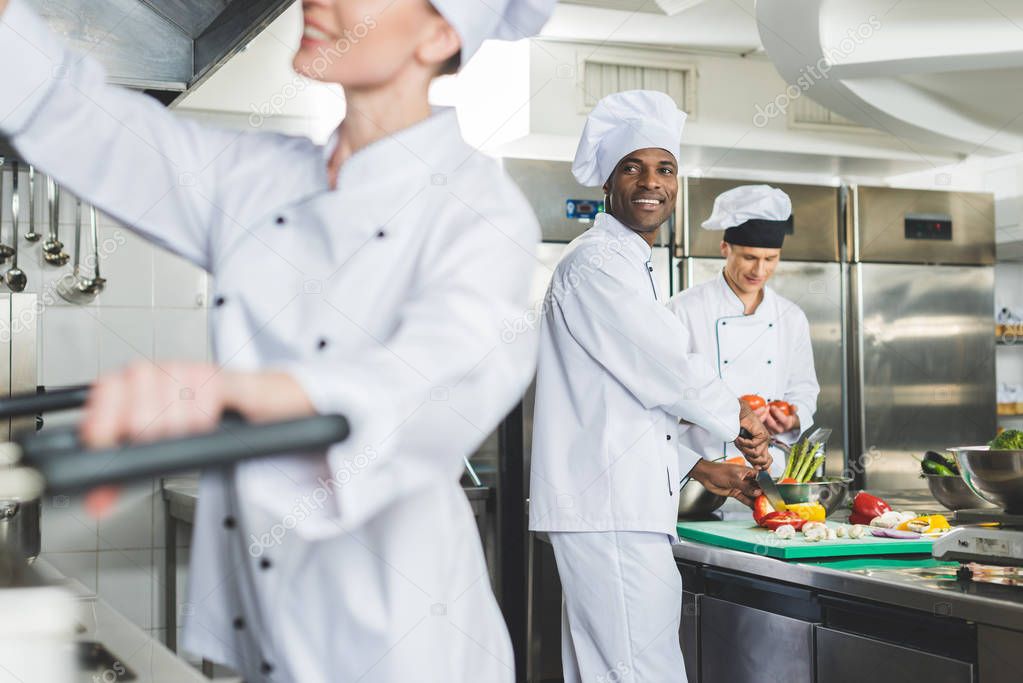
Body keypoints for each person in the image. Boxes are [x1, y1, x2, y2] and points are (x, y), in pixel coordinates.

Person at [0, 0, 555, 680]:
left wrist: (226, 397)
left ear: (440, 32)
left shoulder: (478, 211)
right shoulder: (261, 177)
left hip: (403, 647)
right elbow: (83, 122)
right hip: (268, 634)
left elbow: (433, 382)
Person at [528, 90, 771, 683]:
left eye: (665, 168)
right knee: (640, 670)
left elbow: (625, 397)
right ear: (608, 182)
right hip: (611, 506)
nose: (651, 182)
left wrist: (697, 465)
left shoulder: (627, 263)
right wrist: (737, 418)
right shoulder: (595, 264)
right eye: (632, 167)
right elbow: (662, 365)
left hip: (618, 502)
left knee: (616, 669)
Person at [667, 185, 820, 478]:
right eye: (749, 257)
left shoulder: (791, 317)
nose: (759, 270)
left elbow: (804, 388)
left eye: (770, 259)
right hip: (705, 473)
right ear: (725, 248)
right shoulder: (682, 311)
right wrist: (726, 414)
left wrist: (791, 418)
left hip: (770, 471)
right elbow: (665, 396)